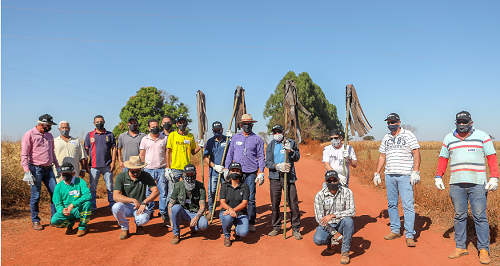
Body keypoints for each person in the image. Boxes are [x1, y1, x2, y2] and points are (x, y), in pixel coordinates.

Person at [434, 111, 498, 264]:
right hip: (456, 184)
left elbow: (492, 157)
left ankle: (483, 249)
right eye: (459, 122)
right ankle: (461, 247)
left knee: (480, 217)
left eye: (465, 122)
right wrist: (438, 176)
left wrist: (494, 177)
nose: (462, 124)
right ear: (455, 123)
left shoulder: (482, 136)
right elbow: (443, 158)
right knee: (459, 216)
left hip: (478, 184)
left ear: (471, 122)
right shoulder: (449, 138)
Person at [373, 113, 420, 247]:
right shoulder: (386, 137)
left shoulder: (408, 135)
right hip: (390, 175)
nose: (390, 124)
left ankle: (410, 234)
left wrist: (415, 171)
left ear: (399, 122)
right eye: (388, 122)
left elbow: (416, 152)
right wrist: (377, 172)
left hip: (405, 175)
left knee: (408, 205)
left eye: (392, 122)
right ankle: (395, 230)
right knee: (392, 204)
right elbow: (382, 156)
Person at [225, 114, 265, 233]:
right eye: (244, 124)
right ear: (241, 125)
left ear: (252, 124)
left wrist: (261, 172)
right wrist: (227, 169)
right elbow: (230, 154)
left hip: (251, 172)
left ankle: (251, 221)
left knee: (251, 198)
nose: (247, 126)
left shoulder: (257, 139)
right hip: (236, 172)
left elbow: (261, 156)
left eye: (249, 124)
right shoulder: (235, 138)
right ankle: (234, 220)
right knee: (235, 197)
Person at [21, 114, 60, 230]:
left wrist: (57, 166)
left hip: (49, 169)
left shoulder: (49, 135)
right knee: (36, 195)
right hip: (35, 169)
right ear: (41, 124)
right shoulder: (29, 134)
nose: (50, 127)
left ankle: (55, 218)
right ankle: (35, 220)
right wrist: (26, 170)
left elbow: (52, 152)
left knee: (55, 193)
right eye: (49, 125)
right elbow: (24, 154)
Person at [265, 124, 302, 240]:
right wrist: (277, 166)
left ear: (283, 132)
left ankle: (296, 228)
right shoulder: (270, 145)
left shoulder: (291, 143)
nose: (277, 134)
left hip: (289, 177)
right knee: (275, 203)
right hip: (275, 177)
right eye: (274, 132)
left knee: (293, 203)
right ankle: (276, 227)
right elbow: (267, 162)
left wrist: (290, 150)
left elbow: (297, 157)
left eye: (279, 132)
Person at [313, 170, 355, 265]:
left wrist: (333, 215)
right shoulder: (319, 196)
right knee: (318, 239)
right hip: (327, 225)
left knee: (349, 221)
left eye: (334, 180)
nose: (332, 183)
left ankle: (345, 252)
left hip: (341, 222)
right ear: (325, 182)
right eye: (329, 181)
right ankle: (330, 243)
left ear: (338, 180)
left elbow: (352, 211)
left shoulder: (347, 192)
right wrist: (334, 232)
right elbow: (319, 218)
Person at [112, 156, 159, 240]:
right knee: (115, 207)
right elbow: (116, 196)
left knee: (142, 220)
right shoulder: (121, 177)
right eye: (133, 169)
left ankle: (139, 225)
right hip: (125, 206)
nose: (136, 171)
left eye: (138, 169)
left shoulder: (145, 175)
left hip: (140, 206)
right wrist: (133, 200)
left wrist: (144, 202)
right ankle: (125, 228)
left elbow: (155, 191)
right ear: (129, 168)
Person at [165, 115, 202, 218]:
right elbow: (168, 151)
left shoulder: (190, 136)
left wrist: (200, 146)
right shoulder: (172, 135)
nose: (182, 124)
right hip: (175, 168)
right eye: (180, 123)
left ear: (186, 124)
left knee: (188, 190)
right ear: (177, 124)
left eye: (184, 122)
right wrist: (168, 167)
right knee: (172, 191)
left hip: (187, 169)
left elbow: (193, 152)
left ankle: (187, 211)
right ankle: (168, 215)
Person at [168, 164, 208, 245]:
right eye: (188, 174)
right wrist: (171, 221)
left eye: (192, 174)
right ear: (183, 175)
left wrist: (196, 218)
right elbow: (170, 205)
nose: (190, 176)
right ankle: (176, 234)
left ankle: (193, 228)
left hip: (195, 213)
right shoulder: (178, 186)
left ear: (195, 174)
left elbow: (202, 206)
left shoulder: (200, 186)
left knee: (204, 225)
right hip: (183, 213)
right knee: (175, 208)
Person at [84, 115, 117, 213]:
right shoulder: (89, 135)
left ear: (104, 122)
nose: (99, 123)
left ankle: (112, 205)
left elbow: (114, 148)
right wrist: (85, 164)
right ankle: (93, 207)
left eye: (101, 121)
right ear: (94, 123)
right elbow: (85, 150)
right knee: (93, 188)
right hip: (93, 166)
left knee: (110, 187)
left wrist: (113, 162)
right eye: (97, 122)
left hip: (107, 165)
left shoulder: (109, 134)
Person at [50, 162, 92, 237]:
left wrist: (73, 204)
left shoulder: (80, 182)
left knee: (88, 204)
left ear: (73, 173)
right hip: (66, 210)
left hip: (78, 209)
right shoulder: (58, 187)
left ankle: (82, 226)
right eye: (63, 173)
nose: (65, 175)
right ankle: (69, 224)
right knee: (54, 220)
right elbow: (57, 203)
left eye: (67, 173)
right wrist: (62, 210)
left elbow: (88, 195)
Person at [139, 119, 168, 225]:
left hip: (161, 168)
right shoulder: (144, 139)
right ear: (148, 128)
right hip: (148, 169)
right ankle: (150, 211)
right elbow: (142, 154)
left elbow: (167, 152)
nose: (155, 128)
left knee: (163, 192)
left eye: (156, 126)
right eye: (152, 127)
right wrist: (141, 168)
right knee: (148, 192)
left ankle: (163, 212)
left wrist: (167, 167)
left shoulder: (164, 138)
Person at [203, 121, 231, 216]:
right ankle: (211, 211)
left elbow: (232, 153)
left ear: (222, 130)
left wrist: (227, 168)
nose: (217, 132)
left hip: (225, 171)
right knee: (211, 192)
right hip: (213, 172)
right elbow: (205, 157)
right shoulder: (210, 142)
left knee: (225, 192)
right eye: (215, 130)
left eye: (218, 130)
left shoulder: (227, 140)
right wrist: (214, 166)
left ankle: (224, 210)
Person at [219, 162, 250, 247]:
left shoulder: (245, 186)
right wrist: (230, 210)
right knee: (228, 217)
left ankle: (236, 230)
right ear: (229, 172)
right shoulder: (225, 186)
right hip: (226, 212)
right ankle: (227, 236)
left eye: (237, 171)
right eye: (233, 171)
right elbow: (222, 202)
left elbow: (244, 203)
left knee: (243, 233)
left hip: (240, 214)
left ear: (241, 173)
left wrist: (233, 210)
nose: (235, 173)